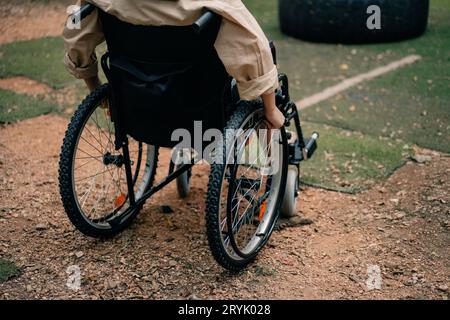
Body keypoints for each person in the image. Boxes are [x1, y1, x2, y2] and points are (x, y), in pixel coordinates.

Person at [63, 0, 285, 129]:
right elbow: (255, 47)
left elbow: (75, 31)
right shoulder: (217, 4)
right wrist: (271, 109)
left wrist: (98, 91)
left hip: (136, 105)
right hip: (198, 112)